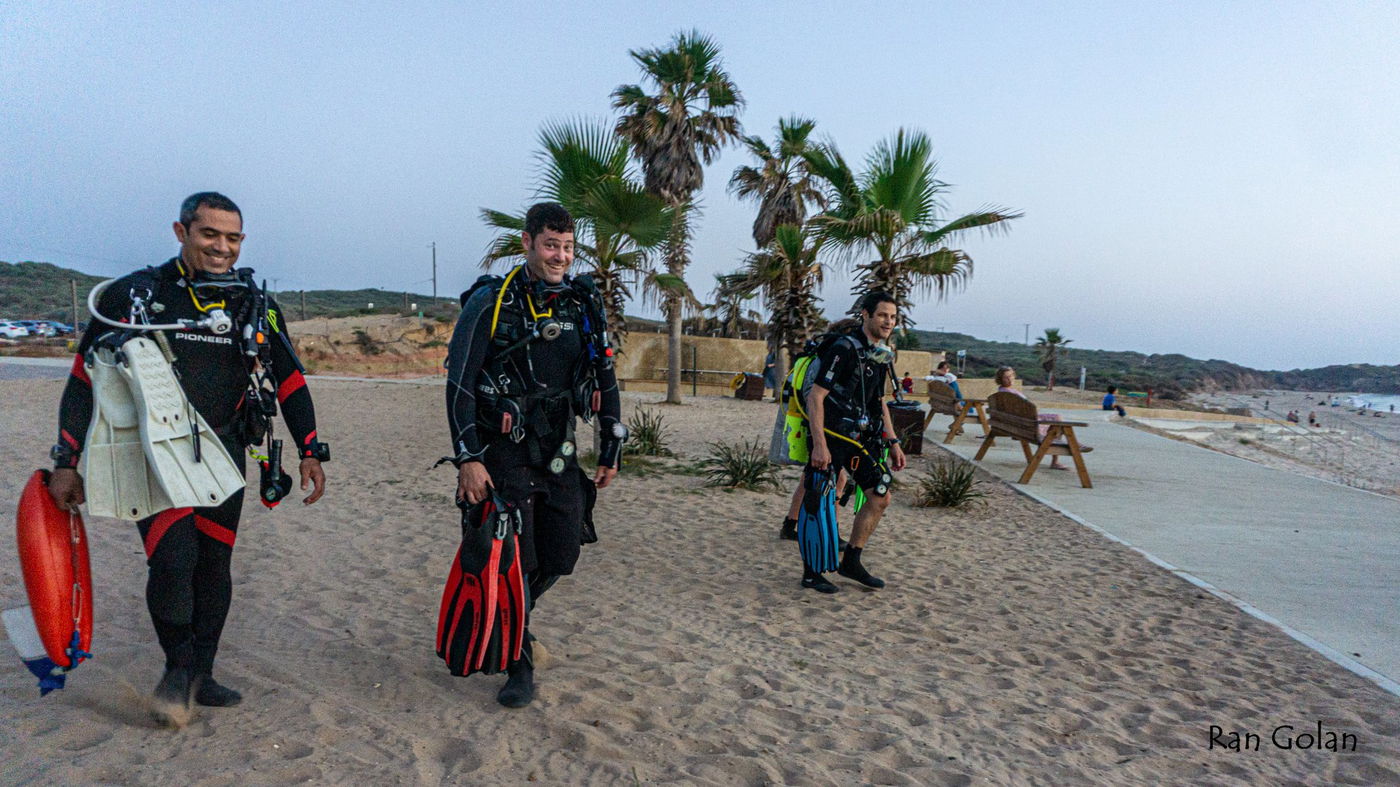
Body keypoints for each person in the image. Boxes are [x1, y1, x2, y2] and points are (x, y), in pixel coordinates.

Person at [47, 192, 328, 718]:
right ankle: (177, 668)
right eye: (210, 235)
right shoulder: (134, 295)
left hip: (223, 449)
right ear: (182, 232)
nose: (223, 247)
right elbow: (85, 379)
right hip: (149, 451)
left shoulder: (253, 303)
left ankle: (203, 671)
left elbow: (289, 379)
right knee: (174, 560)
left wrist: (311, 450)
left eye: (233, 237)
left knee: (214, 564)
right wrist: (66, 460)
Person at [444, 202, 623, 708]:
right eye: (550, 245)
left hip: (558, 448)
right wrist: (468, 459)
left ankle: (513, 620)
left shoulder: (582, 305)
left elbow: (605, 375)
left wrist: (611, 444)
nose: (560, 256)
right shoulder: (492, 302)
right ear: (526, 243)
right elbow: (458, 385)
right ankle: (517, 663)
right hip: (502, 452)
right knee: (514, 559)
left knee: (562, 552)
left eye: (567, 247)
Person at [801, 291, 908, 593]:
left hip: (861, 439)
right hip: (832, 435)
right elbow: (815, 396)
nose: (888, 321)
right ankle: (811, 573)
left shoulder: (882, 354)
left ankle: (851, 561)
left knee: (880, 495)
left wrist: (894, 442)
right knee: (819, 498)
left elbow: (879, 401)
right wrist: (819, 444)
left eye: (892, 317)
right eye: (883, 315)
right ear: (866, 314)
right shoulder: (843, 348)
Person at [995, 366, 1070, 470]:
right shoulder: (1009, 393)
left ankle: (1062, 452)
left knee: (1055, 422)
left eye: (1011, 376)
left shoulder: (1001, 392)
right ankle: (1059, 457)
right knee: (1057, 419)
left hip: (1020, 424)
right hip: (1027, 425)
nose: (1010, 379)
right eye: (1006, 377)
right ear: (1000, 379)